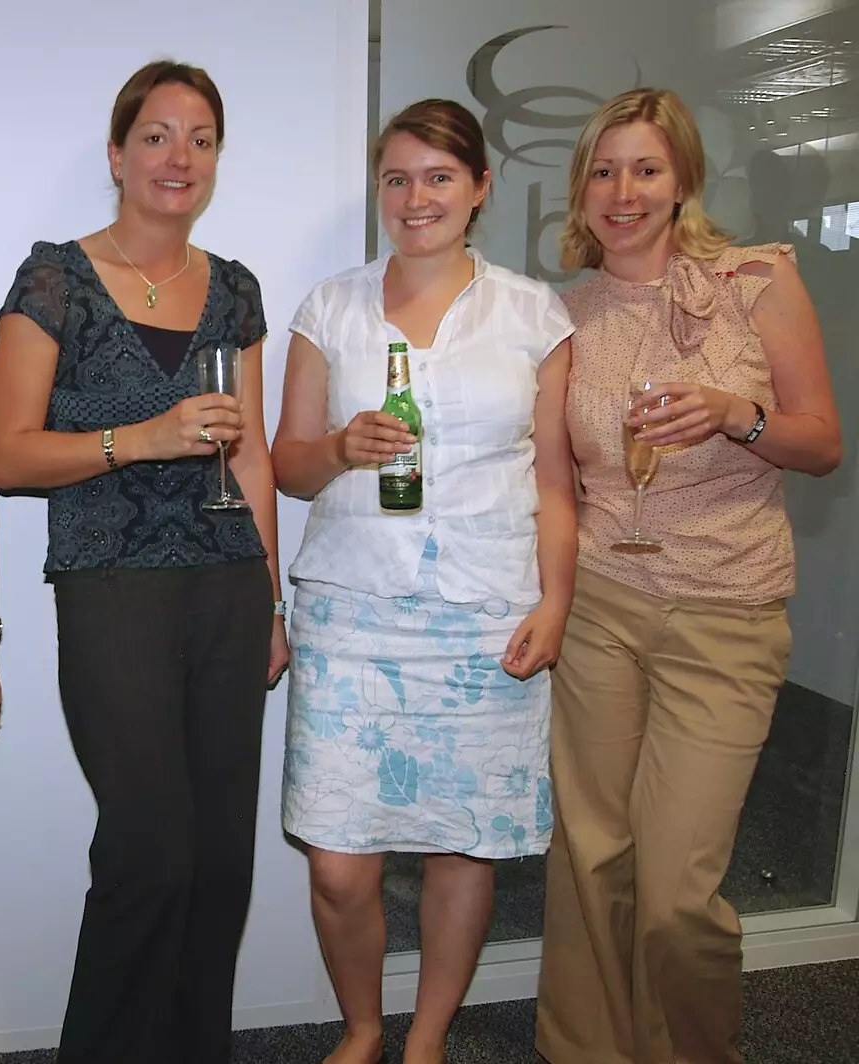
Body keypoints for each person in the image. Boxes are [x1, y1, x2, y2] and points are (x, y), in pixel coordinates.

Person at [0, 59, 289, 1064]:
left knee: (219, 863)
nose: (179, 156)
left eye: (200, 138)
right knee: (149, 850)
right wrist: (140, 437)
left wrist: (273, 600)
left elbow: (250, 450)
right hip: (110, 582)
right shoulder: (54, 278)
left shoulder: (234, 288)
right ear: (117, 155)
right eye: (157, 135)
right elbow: (5, 452)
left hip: (227, 585)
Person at [535, 88, 841, 1064]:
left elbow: (821, 442)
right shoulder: (562, 313)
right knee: (591, 850)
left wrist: (728, 411)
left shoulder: (754, 281)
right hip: (599, 607)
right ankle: (588, 1047)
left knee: (674, 889)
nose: (623, 190)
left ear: (683, 182)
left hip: (725, 608)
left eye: (646, 168)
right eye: (604, 168)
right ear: (581, 188)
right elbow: (550, 476)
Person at [271, 98, 576, 1064]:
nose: (416, 197)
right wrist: (338, 446)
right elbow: (287, 466)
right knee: (338, 864)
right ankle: (364, 1026)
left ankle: (428, 1034)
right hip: (354, 611)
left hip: (485, 614)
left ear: (480, 188)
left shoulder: (536, 313)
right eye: (396, 178)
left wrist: (557, 600)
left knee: (461, 844)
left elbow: (557, 482)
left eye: (439, 176)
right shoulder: (331, 306)